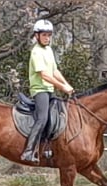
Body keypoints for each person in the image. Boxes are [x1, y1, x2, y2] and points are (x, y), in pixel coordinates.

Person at [20, 19, 74, 163]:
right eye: (44, 35)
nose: (47, 38)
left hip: (49, 89)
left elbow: (54, 71)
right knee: (42, 118)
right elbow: (44, 74)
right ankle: (29, 151)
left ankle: (48, 147)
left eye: (49, 35)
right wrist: (62, 87)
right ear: (37, 36)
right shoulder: (36, 52)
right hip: (39, 90)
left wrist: (66, 84)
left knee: (55, 116)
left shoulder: (48, 50)